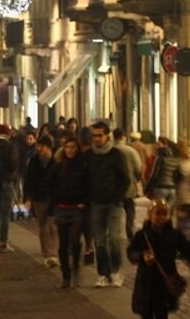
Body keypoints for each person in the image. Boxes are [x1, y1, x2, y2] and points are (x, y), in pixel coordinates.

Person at [128, 199, 190, 319]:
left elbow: (187, 249)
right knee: (146, 314)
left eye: (164, 214)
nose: (161, 217)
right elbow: (131, 252)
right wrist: (142, 256)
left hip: (164, 283)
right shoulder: (141, 235)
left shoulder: (174, 234)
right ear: (150, 215)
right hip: (146, 283)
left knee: (162, 313)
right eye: (158, 213)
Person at [87, 121, 130, 288]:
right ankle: (102, 274)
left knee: (114, 238)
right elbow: (86, 177)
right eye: (94, 136)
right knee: (99, 241)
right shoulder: (90, 155)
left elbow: (125, 179)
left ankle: (116, 270)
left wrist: (118, 197)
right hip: (96, 203)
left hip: (114, 204)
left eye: (99, 135)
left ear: (107, 136)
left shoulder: (116, 155)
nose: (97, 139)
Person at [48, 136, 88, 288]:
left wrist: (83, 202)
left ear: (77, 149)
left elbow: (87, 185)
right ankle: (66, 274)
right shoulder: (58, 166)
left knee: (75, 240)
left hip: (76, 208)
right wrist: (55, 200)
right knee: (63, 243)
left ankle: (76, 266)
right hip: (62, 208)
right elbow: (49, 184)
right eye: (67, 147)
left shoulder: (82, 166)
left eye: (73, 147)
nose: (70, 150)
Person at [23, 135, 58, 268]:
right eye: (38, 146)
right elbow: (29, 181)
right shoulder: (34, 162)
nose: (38, 148)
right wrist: (28, 198)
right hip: (38, 198)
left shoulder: (56, 162)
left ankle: (53, 254)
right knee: (43, 227)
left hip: (53, 198)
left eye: (41, 146)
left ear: (49, 148)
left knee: (54, 227)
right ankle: (47, 254)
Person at [0, 124, 19, 252]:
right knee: (5, 213)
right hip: (6, 181)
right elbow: (14, 164)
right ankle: (3, 243)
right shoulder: (10, 146)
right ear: (8, 133)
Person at [114, 128, 142, 240]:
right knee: (130, 208)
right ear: (123, 137)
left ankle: (113, 231)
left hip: (113, 188)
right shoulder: (130, 151)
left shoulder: (110, 150)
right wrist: (137, 180)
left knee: (115, 210)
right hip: (129, 187)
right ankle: (129, 228)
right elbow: (138, 168)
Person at [145, 137, 180, 209]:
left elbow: (154, 174)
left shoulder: (160, 158)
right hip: (172, 189)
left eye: (158, 143)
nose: (156, 146)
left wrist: (147, 188)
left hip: (161, 187)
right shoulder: (176, 158)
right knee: (168, 212)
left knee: (160, 212)